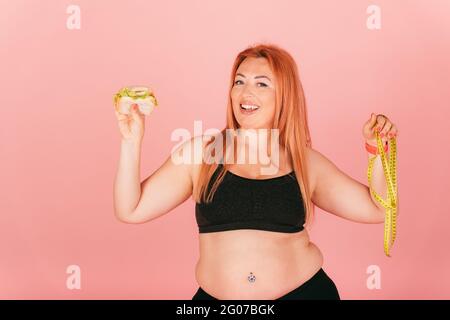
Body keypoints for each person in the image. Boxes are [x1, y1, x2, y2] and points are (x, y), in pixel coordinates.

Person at [113, 43, 398, 300]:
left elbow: (379, 210)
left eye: (261, 84)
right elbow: (131, 209)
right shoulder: (201, 153)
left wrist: (376, 150)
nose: (246, 92)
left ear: (284, 96)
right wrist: (131, 141)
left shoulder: (305, 163)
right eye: (239, 81)